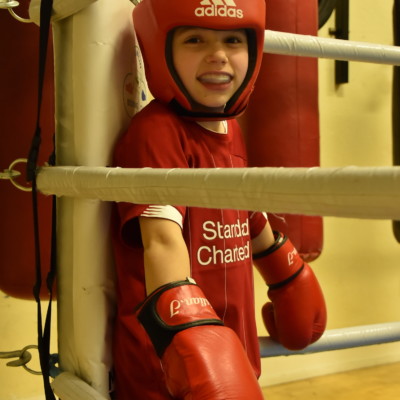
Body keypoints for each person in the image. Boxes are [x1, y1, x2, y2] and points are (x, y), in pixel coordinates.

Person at [111, 0, 327, 399]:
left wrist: (285, 271)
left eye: (233, 41)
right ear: (160, 47)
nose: (218, 55)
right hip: (167, 365)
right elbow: (161, 240)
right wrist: (192, 339)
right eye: (195, 40)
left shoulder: (230, 127)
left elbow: (241, 207)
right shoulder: (156, 131)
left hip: (229, 350)